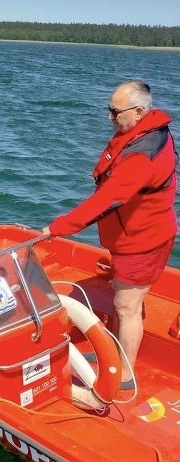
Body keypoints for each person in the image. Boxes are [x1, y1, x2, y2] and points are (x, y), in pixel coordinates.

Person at [43, 80, 178, 388]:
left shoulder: (142, 156)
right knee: (124, 299)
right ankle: (116, 354)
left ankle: (126, 374)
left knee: (126, 307)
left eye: (115, 112)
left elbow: (107, 199)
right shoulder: (141, 133)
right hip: (130, 236)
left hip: (142, 242)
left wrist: (58, 227)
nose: (110, 118)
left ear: (140, 111)